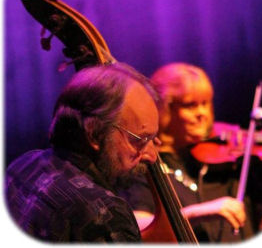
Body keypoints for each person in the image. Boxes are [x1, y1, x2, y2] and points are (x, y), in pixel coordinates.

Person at [119, 62, 262, 243]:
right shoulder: (147, 169)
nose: (202, 113)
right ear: (163, 109)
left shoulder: (230, 163)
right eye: (190, 105)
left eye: (205, 103)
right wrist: (199, 213)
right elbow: (139, 226)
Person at [5, 62, 160, 243]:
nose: (152, 155)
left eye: (153, 139)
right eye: (139, 140)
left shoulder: (25, 164)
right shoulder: (106, 215)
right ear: (94, 133)